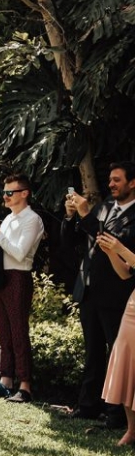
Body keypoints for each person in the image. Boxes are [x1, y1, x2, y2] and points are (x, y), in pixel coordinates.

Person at [62, 162, 135, 427]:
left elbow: (111, 241)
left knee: (118, 356)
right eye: (110, 180)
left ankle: (116, 414)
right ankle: (88, 406)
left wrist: (85, 214)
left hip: (118, 294)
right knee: (92, 353)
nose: (111, 184)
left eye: (117, 180)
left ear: (132, 183)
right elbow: (76, 242)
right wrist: (72, 217)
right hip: (89, 289)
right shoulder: (103, 207)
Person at [0, 174, 45, 403]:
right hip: (1, 278)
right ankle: (5, 379)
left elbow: (19, 252)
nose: (5, 197)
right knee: (3, 332)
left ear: (24, 193)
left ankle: (25, 386)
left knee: (18, 332)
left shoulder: (32, 220)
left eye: (10, 192)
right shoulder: (7, 219)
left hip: (19, 277)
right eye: (4, 193)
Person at [92, 232, 135, 445]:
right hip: (133, 307)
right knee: (126, 364)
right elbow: (126, 273)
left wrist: (120, 248)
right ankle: (132, 430)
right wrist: (111, 253)